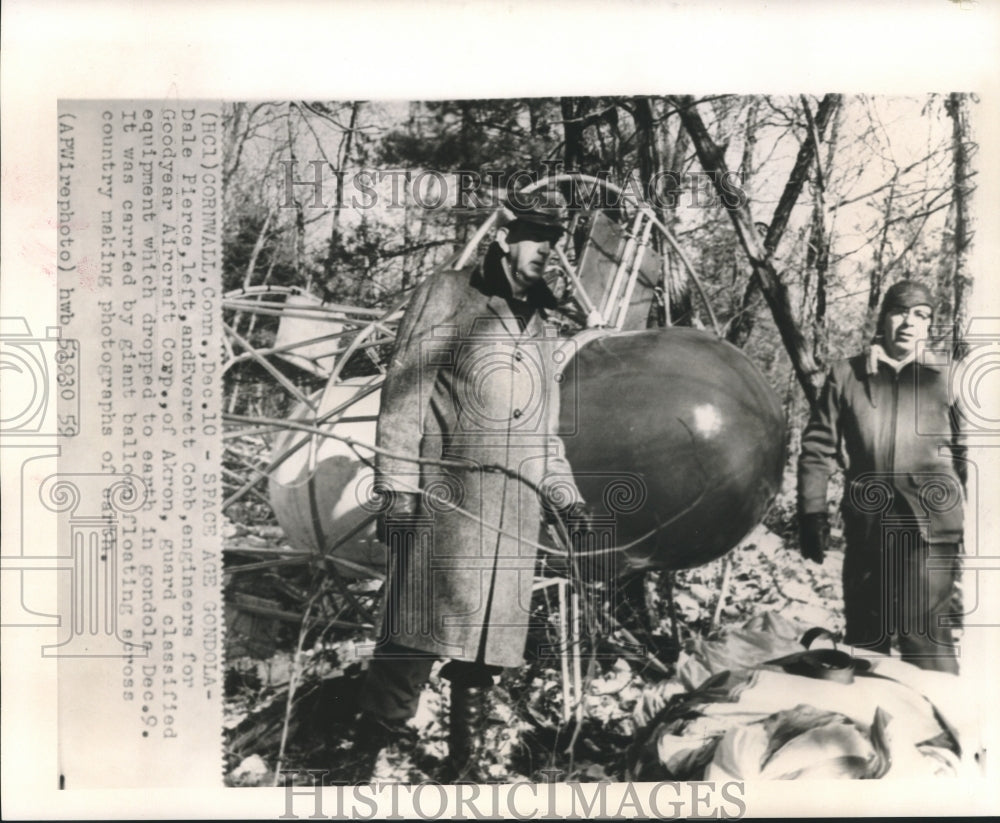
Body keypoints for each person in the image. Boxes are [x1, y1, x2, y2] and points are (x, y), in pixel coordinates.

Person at [352, 188, 588, 780]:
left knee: (483, 654)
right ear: (507, 238)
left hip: (512, 516)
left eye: (555, 242)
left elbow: (543, 434)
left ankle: (462, 770)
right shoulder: (449, 293)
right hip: (445, 505)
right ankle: (359, 763)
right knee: (410, 639)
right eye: (536, 237)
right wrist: (398, 491)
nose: (547, 251)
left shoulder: (542, 326)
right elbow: (404, 397)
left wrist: (569, 499)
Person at [797, 280, 966, 674]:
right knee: (864, 637)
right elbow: (818, 447)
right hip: (868, 525)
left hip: (931, 526)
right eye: (900, 312)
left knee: (921, 632)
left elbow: (973, 457)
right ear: (883, 318)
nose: (909, 323)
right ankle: (873, 730)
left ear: (930, 325)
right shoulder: (848, 375)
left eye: (921, 315)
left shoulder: (948, 378)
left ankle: (941, 728)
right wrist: (811, 512)